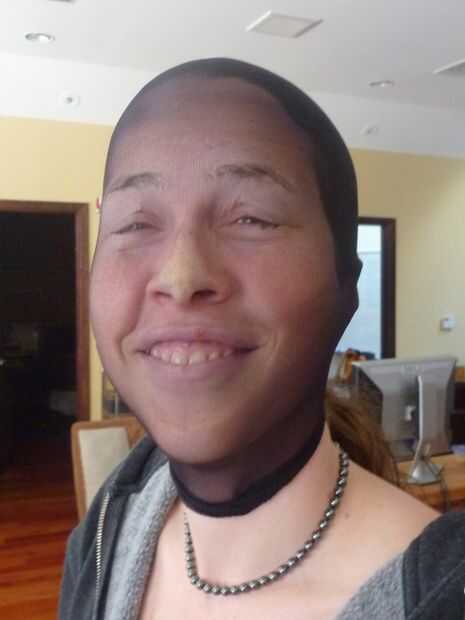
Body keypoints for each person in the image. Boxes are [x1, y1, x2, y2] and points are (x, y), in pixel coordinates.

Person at [59, 58, 465, 619]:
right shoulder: (104, 532)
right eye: (134, 223)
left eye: (252, 218)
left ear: (344, 282)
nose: (181, 277)